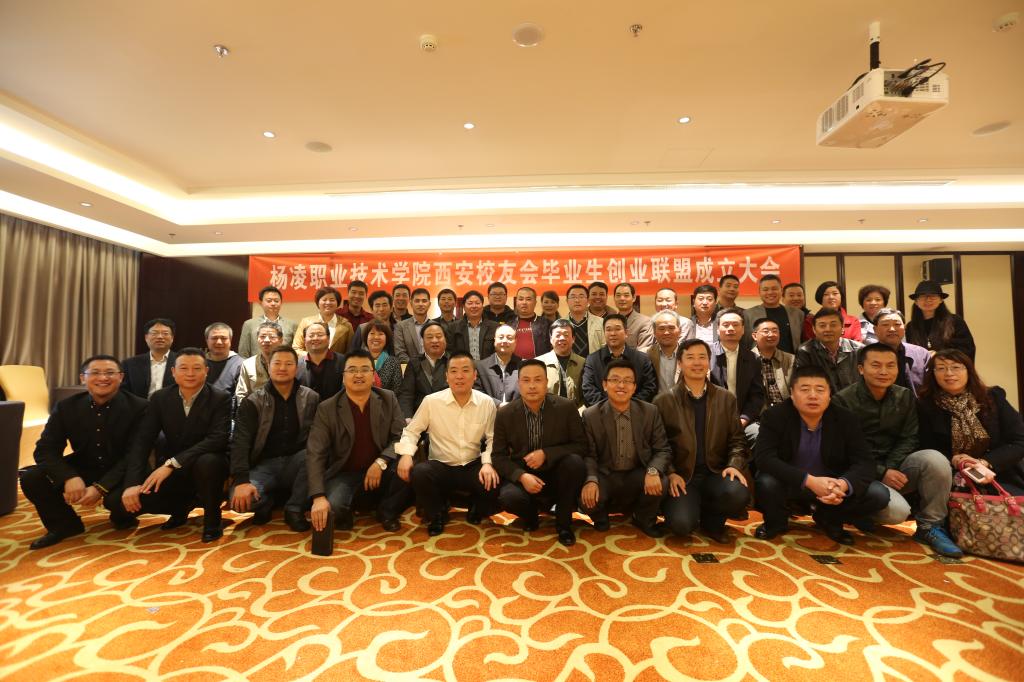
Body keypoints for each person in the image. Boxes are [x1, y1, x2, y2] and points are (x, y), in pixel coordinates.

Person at [833, 343, 962, 557]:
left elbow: (909, 437)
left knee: (934, 459)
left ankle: (930, 526)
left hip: (895, 466)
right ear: (861, 369)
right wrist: (882, 472)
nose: (884, 371)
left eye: (890, 365)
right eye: (876, 365)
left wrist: (890, 468)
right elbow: (846, 450)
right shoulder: (843, 400)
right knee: (897, 513)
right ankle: (857, 512)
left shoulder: (905, 396)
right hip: (859, 473)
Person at [20, 355, 148, 549]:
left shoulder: (140, 407)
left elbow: (135, 455)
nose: (103, 378)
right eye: (95, 373)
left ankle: (123, 517)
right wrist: (68, 476)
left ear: (121, 377)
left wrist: (101, 488)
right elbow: (45, 449)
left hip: (124, 470)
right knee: (32, 477)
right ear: (82, 378)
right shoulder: (66, 407)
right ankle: (65, 525)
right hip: (85, 464)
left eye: (110, 373)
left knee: (119, 504)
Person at [754, 366, 890, 545]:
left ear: (829, 394)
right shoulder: (775, 416)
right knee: (766, 482)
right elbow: (764, 458)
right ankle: (776, 522)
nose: (813, 396)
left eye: (820, 390)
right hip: (791, 482)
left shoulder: (846, 419)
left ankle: (829, 519)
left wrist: (842, 484)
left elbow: (865, 462)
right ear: (792, 394)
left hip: (832, 486)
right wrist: (809, 481)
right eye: (805, 389)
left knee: (878, 494)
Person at [111, 348, 232, 542]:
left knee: (207, 462)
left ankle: (212, 519)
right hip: (173, 467)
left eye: (196, 368)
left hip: (209, 463)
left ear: (206, 371)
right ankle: (181, 507)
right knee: (117, 505)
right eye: (183, 368)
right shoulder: (160, 398)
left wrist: (172, 463)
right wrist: (132, 483)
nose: (190, 373)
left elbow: (217, 439)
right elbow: (143, 441)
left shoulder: (220, 397)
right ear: (173, 372)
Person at [654, 339, 750, 542]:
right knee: (681, 525)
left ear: (709, 362)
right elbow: (658, 444)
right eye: (690, 357)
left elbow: (737, 440)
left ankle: (712, 520)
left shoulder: (726, 399)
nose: (697, 362)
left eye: (702, 357)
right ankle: (691, 508)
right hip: (683, 477)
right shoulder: (664, 401)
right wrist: (670, 473)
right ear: (680, 363)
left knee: (738, 493)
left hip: (715, 472)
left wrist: (734, 465)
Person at [306, 350, 413, 533]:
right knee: (334, 507)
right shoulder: (327, 408)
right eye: (352, 370)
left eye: (365, 369)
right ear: (343, 376)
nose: (358, 375)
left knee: (409, 467)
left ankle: (386, 512)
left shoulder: (388, 398)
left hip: (382, 467)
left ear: (373, 375)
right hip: (345, 473)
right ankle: (356, 506)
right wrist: (318, 496)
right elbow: (315, 452)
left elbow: (400, 435)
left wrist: (380, 462)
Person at [396, 352, 500, 535]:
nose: (459, 376)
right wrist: (406, 454)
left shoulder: (486, 403)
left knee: (496, 477)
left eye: (465, 370)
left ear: (475, 375)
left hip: (472, 464)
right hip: (441, 465)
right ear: (446, 376)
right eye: (454, 371)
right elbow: (412, 431)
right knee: (420, 473)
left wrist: (487, 463)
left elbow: (493, 438)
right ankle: (437, 513)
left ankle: (476, 505)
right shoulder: (431, 402)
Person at [492, 359, 587, 546]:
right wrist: (521, 476)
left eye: (538, 380)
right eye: (526, 380)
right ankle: (531, 516)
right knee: (508, 498)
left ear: (546, 382)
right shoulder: (505, 414)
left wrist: (546, 453)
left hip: (557, 472)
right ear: (519, 384)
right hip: (525, 474)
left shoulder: (566, 407)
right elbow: (498, 456)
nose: (532, 386)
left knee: (574, 463)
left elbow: (581, 445)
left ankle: (564, 524)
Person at [229, 346, 318, 532]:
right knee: (240, 502)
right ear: (268, 367)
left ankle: (294, 508)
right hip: (264, 465)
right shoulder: (253, 401)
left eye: (288, 364)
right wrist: (241, 480)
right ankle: (268, 501)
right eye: (277, 363)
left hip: (296, 463)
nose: (282, 368)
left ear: (297, 368)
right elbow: (240, 442)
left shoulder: (311, 398)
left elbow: (317, 438)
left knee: (313, 455)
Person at [580, 359, 671, 537]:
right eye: (615, 380)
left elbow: (663, 449)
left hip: (637, 473)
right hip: (606, 474)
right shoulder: (591, 415)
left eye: (627, 381)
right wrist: (591, 480)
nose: (621, 385)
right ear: (604, 385)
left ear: (634, 387)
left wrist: (653, 470)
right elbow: (588, 454)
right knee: (585, 495)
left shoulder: (649, 412)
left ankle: (643, 518)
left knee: (662, 480)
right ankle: (601, 517)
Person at [917, 349, 1024, 496]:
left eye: (956, 367)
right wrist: (955, 460)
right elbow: (926, 447)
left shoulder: (993, 397)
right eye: (941, 368)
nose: (949, 373)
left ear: (969, 370)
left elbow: (1019, 440)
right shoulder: (925, 406)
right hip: (952, 475)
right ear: (933, 374)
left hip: (1000, 471)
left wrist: (984, 462)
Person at [709, 310, 764, 443]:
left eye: (735, 325)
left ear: (743, 329)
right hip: (711, 419)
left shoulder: (753, 358)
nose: (730, 329)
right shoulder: (706, 354)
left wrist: (743, 419)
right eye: (726, 325)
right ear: (717, 329)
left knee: (759, 435)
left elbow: (756, 395)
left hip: (741, 418)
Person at [581, 314, 658, 406]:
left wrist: (628, 407)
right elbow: (588, 389)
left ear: (626, 333)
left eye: (617, 329)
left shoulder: (642, 359)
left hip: (635, 411)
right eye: (608, 330)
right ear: (604, 333)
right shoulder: (592, 360)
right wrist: (608, 408)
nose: (613, 333)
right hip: (601, 411)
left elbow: (649, 388)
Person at [794, 308, 864, 393]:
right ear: (814, 329)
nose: (828, 329)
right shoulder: (805, 351)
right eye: (822, 326)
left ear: (842, 327)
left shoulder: (858, 350)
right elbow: (804, 383)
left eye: (833, 325)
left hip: (854, 398)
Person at [905, 280, 976, 360]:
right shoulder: (911, 327)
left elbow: (967, 349)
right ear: (916, 301)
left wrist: (939, 355)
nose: (928, 300)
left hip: (948, 366)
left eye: (933, 296)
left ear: (941, 300)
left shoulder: (955, 321)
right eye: (923, 296)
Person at [397, 321, 449, 419]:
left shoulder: (453, 362)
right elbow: (406, 394)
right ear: (422, 341)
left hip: (447, 417)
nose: (434, 340)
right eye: (429, 337)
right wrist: (407, 418)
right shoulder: (414, 363)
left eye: (438, 336)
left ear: (445, 339)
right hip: (420, 417)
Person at [873, 308, 930, 396]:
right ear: (875, 330)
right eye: (885, 324)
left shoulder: (921, 354)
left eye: (897, 324)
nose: (892, 329)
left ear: (904, 328)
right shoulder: (866, 355)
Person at [743, 274, 804, 354]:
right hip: (758, 360)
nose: (770, 292)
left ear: (781, 290)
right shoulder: (748, 314)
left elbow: (801, 341)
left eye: (774, 289)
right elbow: (746, 343)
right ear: (760, 292)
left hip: (791, 359)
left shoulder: (797, 314)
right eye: (765, 289)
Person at [535, 319, 585, 408]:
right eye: (558, 335)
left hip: (576, 413)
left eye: (566, 335)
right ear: (551, 339)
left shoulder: (583, 363)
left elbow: (587, 394)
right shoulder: (538, 363)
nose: (562, 338)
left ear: (573, 339)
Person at [122, 318, 177, 398]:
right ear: (146, 337)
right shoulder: (129, 364)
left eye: (165, 333)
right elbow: (124, 392)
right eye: (154, 333)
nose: (160, 337)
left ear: (172, 338)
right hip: (139, 405)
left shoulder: (181, 362)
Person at [294, 286, 355, 357]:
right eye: (324, 300)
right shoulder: (306, 322)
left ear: (337, 303)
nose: (328, 303)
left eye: (332, 300)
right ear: (318, 303)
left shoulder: (346, 325)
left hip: (338, 363)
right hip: (310, 363)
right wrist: (314, 356)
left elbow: (351, 352)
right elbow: (296, 348)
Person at [240, 286, 297, 357]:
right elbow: (243, 352)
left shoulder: (292, 324)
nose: (273, 303)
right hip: (256, 363)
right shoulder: (249, 324)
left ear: (281, 303)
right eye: (269, 301)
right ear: (260, 303)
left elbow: (296, 351)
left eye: (276, 301)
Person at [751, 318, 794, 412]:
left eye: (775, 331)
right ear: (754, 336)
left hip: (788, 411)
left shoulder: (791, 359)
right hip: (758, 414)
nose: (771, 334)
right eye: (766, 331)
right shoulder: (747, 359)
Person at [236, 321, 284, 402]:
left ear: (281, 340)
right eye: (262, 336)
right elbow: (241, 394)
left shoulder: (288, 363)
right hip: (254, 407)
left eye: (272, 337)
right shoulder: (248, 364)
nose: (266, 340)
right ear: (257, 339)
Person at [474, 324, 521, 406]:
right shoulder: (480, 367)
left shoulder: (524, 366)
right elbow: (477, 393)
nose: (504, 341)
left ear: (516, 342)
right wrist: (498, 404)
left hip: (518, 411)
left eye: (509, 338)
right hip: (489, 411)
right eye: (501, 337)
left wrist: (511, 407)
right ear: (494, 340)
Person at [298, 321, 344, 401]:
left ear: (328, 338)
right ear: (305, 340)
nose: (315, 338)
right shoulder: (296, 365)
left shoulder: (344, 362)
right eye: (311, 335)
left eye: (320, 335)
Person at [445, 289, 497, 361]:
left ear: (482, 306)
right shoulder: (453, 327)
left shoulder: (494, 327)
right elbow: (449, 351)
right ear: (464, 307)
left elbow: (497, 352)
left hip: (488, 367)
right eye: (470, 303)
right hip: (462, 366)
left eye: (477, 303)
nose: (474, 306)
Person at [393, 287, 434, 363]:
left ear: (429, 304)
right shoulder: (400, 326)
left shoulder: (436, 326)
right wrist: (415, 367)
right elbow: (400, 352)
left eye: (424, 301)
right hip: (409, 368)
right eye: (417, 301)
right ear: (411, 303)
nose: (420, 304)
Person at [565, 284, 604, 360]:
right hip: (567, 365)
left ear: (588, 300)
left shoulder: (601, 323)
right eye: (573, 297)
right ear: (567, 301)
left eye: (581, 296)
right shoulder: (559, 324)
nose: (577, 300)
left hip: (593, 365)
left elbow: (605, 348)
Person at [512, 286, 552, 360]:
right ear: (516, 301)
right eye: (520, 299)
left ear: (535, 302)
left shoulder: (547, 324)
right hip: (514, 366)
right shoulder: (509, 326)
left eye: (528, 299)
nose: (524, 302)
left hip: (540, 365)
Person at [648, 310, 682, 395]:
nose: (666, 332)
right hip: (654, 402)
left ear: (680, 330)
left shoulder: (688, 355)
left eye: (671, 328)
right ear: (654, 332)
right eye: (661, 328)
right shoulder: (646, 355)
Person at [613, 282, 654, 351]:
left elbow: (643, 350)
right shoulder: (609, 321)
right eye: (618, 295)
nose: (622, 298)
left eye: (626, 295)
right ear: (614, 298)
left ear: (634, 298)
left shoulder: (645, 321)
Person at [204, 322, 243, 393]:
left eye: (224, 338)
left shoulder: (241, 364)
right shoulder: (199, 362)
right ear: (207, 340)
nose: (219, 342)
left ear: (230, 340)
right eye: (214, 338)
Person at [365, 319, 402, 392]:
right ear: (366, 337)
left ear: (386, 339)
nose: (376, 337)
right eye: (372, 333)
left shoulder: (394, 363)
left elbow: (396, 391)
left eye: (380, 334)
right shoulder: (357, 360)